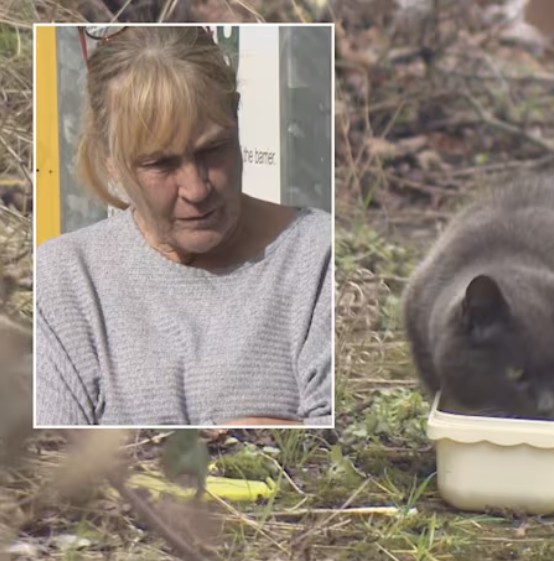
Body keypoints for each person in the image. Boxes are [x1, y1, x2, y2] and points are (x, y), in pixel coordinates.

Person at [35, 27, 333, 427]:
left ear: (237, 120)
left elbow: (344, 458)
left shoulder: (317, 256)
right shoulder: (67, 277)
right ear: (110, 161)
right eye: (160, 164)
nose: (196, 189)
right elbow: (56, 463)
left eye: (213, 150)